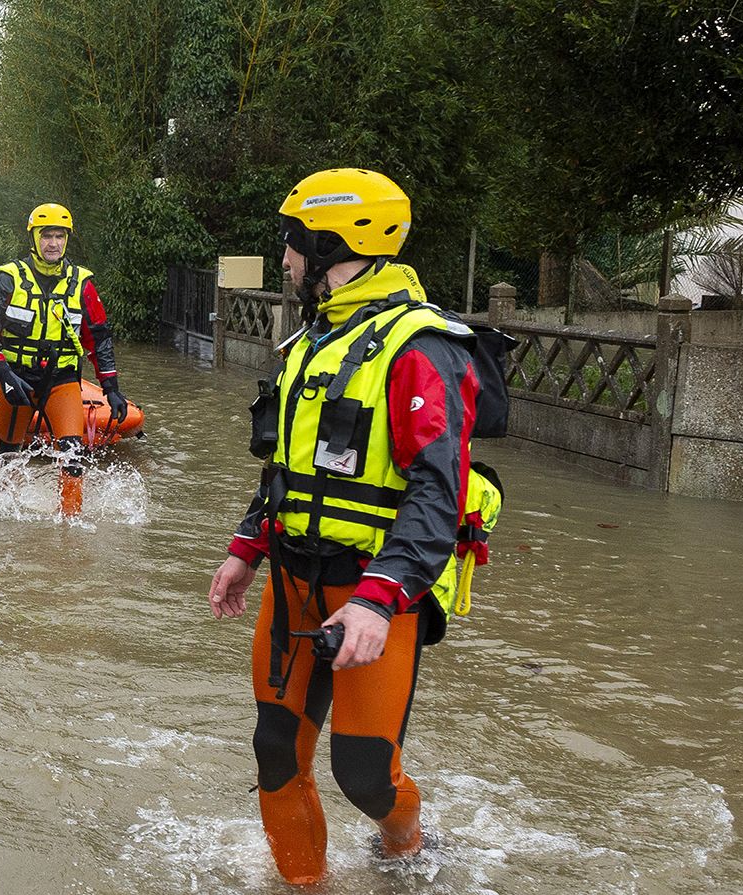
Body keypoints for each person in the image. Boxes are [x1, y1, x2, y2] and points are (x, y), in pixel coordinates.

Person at [205, 168, 502, 885]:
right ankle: (304, 884)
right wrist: (246, 547)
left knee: (364, 775)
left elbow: (438, 490)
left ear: (334, 242)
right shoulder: (313, 339)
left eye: (292, 244)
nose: (284, 259)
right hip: (291, 576)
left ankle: (407, 840)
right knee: (275, 751)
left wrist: (376, 597)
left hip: (374, 591)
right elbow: (286, 462)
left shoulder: (422, 348)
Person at [0, 202, 127, 516]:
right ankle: (3, 516)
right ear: (34, 239)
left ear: (66, 240)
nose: (53, 243)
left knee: (73, 454)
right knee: (8, 453)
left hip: (62, 381)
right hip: (15, 378)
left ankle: (70, 526)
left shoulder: (82, 284)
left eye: (59, 236)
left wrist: (110, 387)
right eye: (46, 236)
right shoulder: (8, 280)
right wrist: (2, 373)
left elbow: (99, 338)